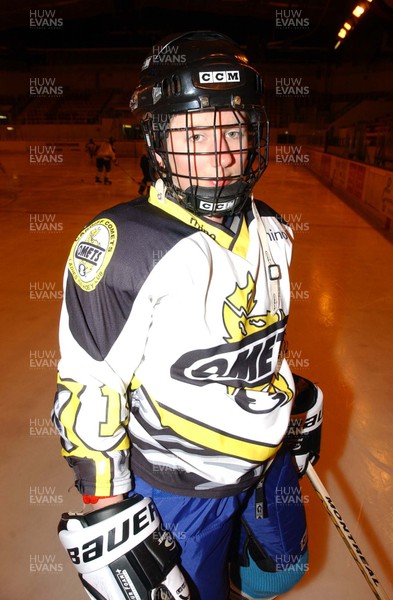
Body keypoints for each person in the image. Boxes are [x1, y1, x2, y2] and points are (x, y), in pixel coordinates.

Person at [52, 31, 322, 600]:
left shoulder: (272, 226)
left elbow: (257, 333)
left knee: (280, 573)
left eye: (232, 128)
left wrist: (289, 399)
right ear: (156, 140)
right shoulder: (124, 244)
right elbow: (90, 382)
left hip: (266, 464)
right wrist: (106, 508)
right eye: (193, 132)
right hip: (181, 491)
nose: (219, 151)